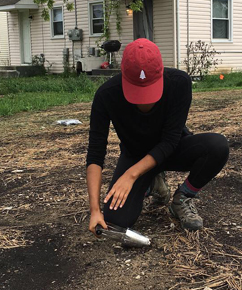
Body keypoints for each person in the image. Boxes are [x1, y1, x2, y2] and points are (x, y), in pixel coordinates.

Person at [86, 38, 229, 236]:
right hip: (136, 155)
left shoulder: (179, 83)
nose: (144, 102)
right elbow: (95, 153)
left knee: (217, 146)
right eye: (137, 92)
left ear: (161, 73)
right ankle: (153, 180)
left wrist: (131, 175)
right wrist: (94, 210)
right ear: (123, 75)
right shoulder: (106, 95)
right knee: (116, 220)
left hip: (173, 149)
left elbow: (170, 140)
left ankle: (183, 198)